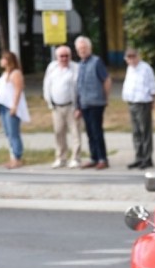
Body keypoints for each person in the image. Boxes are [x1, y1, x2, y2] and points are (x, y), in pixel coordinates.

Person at [75, 35, 111, 169]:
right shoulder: (79, 65)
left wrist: (105, 97)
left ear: (90, 48)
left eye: (84, 48)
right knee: (89, 132)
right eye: (80, 49)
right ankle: (93, 157)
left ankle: (103, 158)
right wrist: (78, 107)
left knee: (97, 131)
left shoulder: (96, 62)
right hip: (84, 103)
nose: (82, 50)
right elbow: (78, 86)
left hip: (96, 102)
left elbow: (106, 80)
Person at [42, 45, 82, 169]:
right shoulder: (52, 67)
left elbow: (79, 88)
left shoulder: (76, 68)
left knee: (75, 132)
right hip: (56, 107)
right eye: (61, 56)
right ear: (56, 57)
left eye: (66, 56)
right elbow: (47, 84)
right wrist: (49, 101)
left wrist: (79, 107)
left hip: (72, 106)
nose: (64, 58)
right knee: (59, 132)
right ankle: (60, 157)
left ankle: (75, 158)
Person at [121, 47, 155, 169]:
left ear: (138, 56)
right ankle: (139, 156)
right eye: (129, 57)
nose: (131, 60)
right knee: (136, 132)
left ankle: (147, 158)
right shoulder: (129, 69)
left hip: (143, 103)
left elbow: (152, 84)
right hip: (132, 102)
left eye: (133, 56)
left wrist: (153, 99)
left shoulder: (145, 68)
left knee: (145, 131)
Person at [0, 50, 31, 169]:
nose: (1, 61)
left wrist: (15, 105)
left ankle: (17, 157)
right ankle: (12, 157)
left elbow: (18, 90)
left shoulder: (15, 73)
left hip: (11, 106)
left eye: (3, 59)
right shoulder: (4, 74)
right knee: (8, 132)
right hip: (3, 105)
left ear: (8, 61)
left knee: (14, 132)